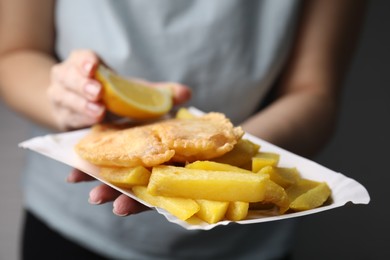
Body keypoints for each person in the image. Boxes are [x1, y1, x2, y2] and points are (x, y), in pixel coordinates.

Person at [0, 0, 366, 259]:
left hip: (247, 242)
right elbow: (13, 52)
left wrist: (234, 159)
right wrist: (75, 101)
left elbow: (315, 92)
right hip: (70, 226)